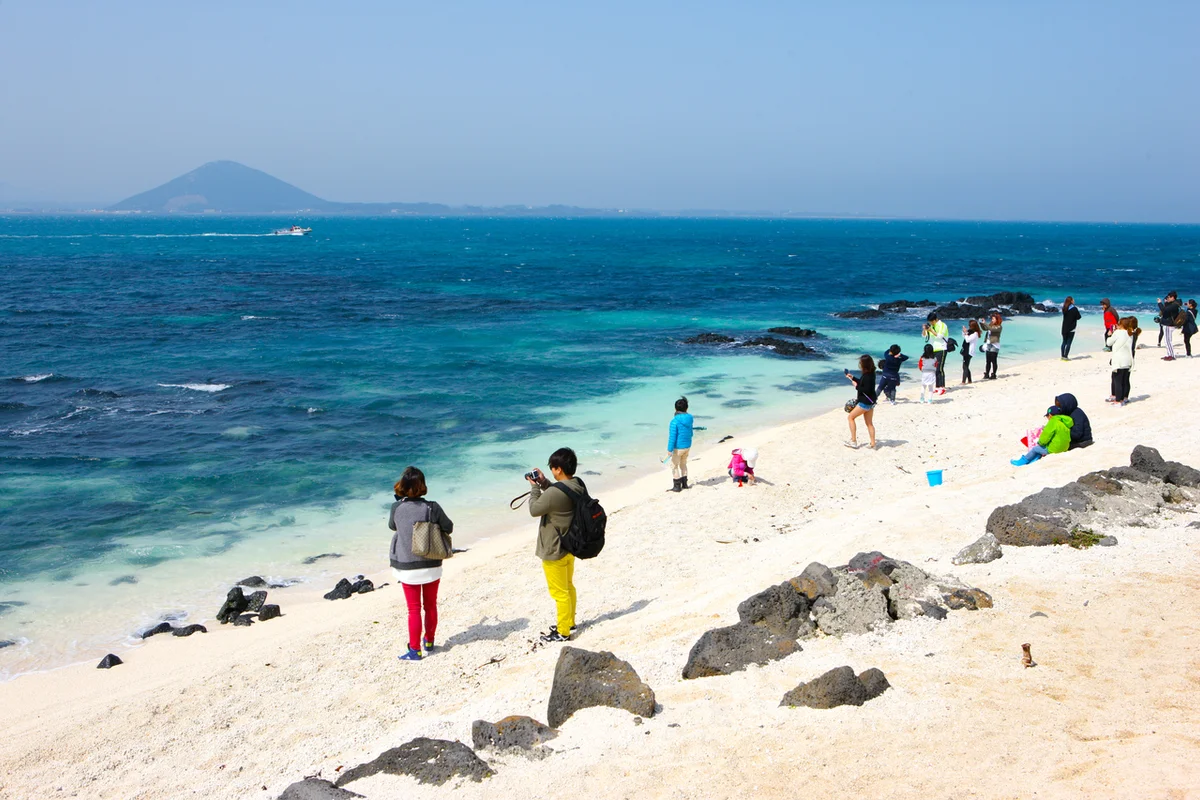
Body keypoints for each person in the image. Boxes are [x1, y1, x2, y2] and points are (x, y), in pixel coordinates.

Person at [389, 466, 454, 662]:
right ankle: (429, 641)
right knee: (431, 605)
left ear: (402, 486)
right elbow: (449, 527)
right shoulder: (432, 507)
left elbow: (393, 526)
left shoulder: (397, 508)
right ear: (423, 486)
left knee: (413, 609)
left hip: (407, 566)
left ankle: (415, 650)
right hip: (431, 563)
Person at [527, 447, 585, 643]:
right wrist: (544, 482)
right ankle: (569, 622)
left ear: (558, 469)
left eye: (552, 468)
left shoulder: (554, 493)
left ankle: (563, 632)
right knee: (568, 587)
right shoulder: (577, 484)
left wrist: (535, 487)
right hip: (569, 545)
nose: (552, 471)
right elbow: (559, 493)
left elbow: (535, 509)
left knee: (559, 593)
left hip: (554, 548)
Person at [843, 354, 877, 449]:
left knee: (850, 418)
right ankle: (873, 443)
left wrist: (856, 386)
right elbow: (864, 383)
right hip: (871, 403)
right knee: (869, 423)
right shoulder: (871, 374)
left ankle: (853, 441)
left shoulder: (867, 376)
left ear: (864, 364)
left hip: (864, 403)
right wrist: (853, 377)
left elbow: (865, 389)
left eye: (861, 363)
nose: (860, 364)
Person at [1106, 316, 1138, 406]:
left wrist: (1110, 333)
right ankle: (1124, 398)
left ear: (1121, 325)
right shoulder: (1130, 334)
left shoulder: (1118, 333)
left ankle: (1118, 400)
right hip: (1128, 360)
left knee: (1117, 380)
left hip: (1119, 360)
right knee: (1124, 380)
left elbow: (1108, 343)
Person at [667, 396, 694, 492]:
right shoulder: (690, 418)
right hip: (687, 445)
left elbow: (672, 437)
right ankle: (685, 484)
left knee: (674, 466)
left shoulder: (674, 421)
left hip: (678, 448)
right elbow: (690, 433)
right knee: (683, 464)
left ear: (675, 409)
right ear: (686, 408)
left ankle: (677, 486)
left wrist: (669, 449)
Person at [922, 312, 949, 393]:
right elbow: (924, 336)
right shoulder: (931, 326)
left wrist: (931, 330)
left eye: (931, 321)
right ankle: (937, 387)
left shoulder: (942, 325)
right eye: (929, 322)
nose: (931, 323)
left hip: (941, 348)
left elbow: (940, 336)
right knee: (935, 369)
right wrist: (924, 329)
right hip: (933, 350)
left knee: (940, 369)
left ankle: (942, 387)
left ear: (935, 320)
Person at [1158, 292, 1181, 359]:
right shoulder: (1173, 304)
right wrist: (1166, 302)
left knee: (1168, 341)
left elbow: (1164, 310)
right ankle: (1169, 354)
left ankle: (1171, 355)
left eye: (1168, 297)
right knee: (1166, 340)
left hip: (1169, 324)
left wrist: (1160, 303)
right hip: (1168, 323)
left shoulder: (1174, 305)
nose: (1167, 298)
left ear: (1172, 297)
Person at [980, 313, 1003, 379]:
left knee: (993, 361)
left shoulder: (999, 327)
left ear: (997, 319)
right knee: (988, 361)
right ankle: (987, 373)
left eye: (993, 319)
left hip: (995, 345)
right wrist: (982, 323)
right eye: (992, 319)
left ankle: (994, 374)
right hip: (988, 344)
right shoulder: (990, 325)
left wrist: (985, 324)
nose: (992, 320)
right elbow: (985, 328)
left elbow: (992, 329)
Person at [1060, 296, 1082, 360]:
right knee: (1069, 343)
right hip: (1071, 328)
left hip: (1064, 327)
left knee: (1064, 342)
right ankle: (1066, 356)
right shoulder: (1074, 309)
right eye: (1073, 300)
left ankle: (1062, 356)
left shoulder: (1064, 308)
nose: (1074, 300)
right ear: (1071, 301)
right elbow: (1079, 317)